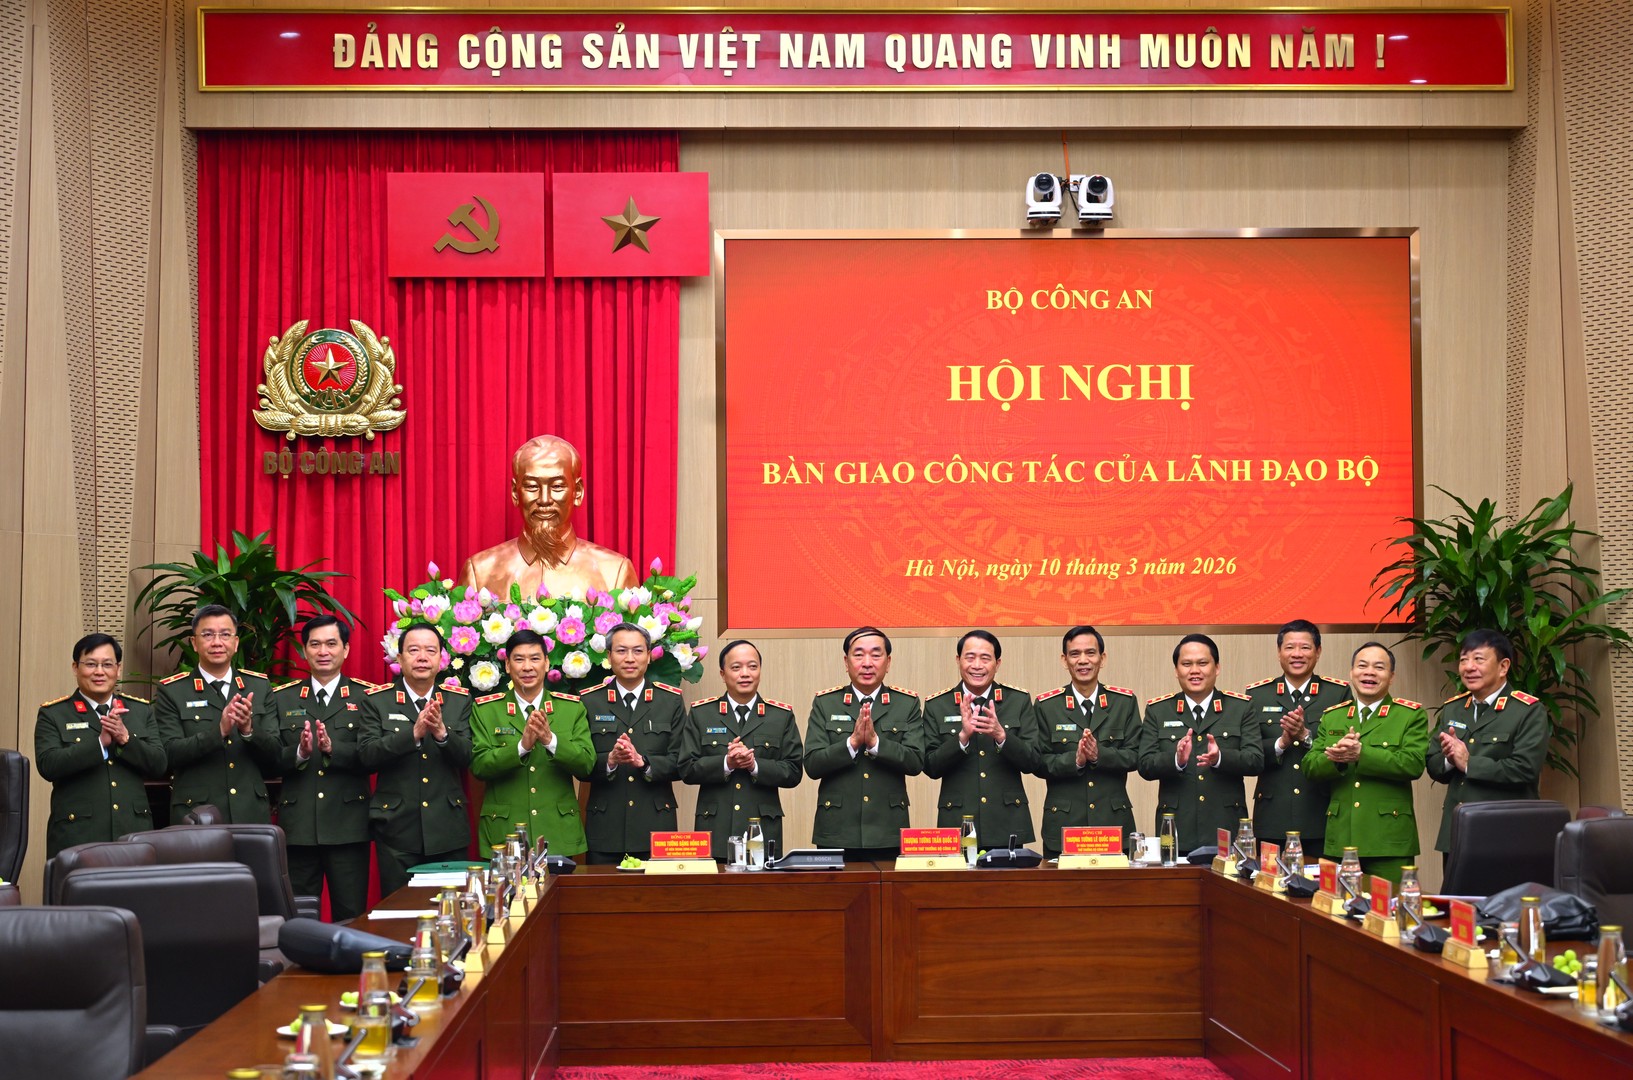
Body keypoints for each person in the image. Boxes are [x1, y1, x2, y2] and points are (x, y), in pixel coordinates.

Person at [269, 615, 374, 922]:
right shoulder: (282, 698)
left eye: (331, 643)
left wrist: (333, 749)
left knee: (351, 916)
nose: (323, 651)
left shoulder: (367, 697)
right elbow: (267, 758)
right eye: (315, 644)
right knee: (299, 917)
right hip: (299, 826)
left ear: (346, 649)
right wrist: (298, 753)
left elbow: (375, 756)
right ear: (304, 651)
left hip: (348, 825)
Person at [360, 624, 474, 897]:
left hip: (447, 827)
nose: (422, 657)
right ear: (399, 659)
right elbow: (367, 756)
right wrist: (412, 735)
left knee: (450, 909)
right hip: (396, 829)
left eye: (430, 651)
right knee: (400, 910)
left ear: (441, 660)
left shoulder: (459, 701)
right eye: (413, 650)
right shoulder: (377, 701)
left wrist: (442, 734)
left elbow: (468, 757)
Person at [1301, 642, 1427, 887]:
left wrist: (1363, 754)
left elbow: (1413, 764)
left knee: (1390, 906)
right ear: (1351, 673)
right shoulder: (1333, 716)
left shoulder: (1409, 715)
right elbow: (1310, 766)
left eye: (1379, 667)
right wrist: (1335, 759)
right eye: (1362, 666)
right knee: (1338, 905)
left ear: (1391, 676)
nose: (1369, 672)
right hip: (1342, 836)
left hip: (1388, 839)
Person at [457, 435, 638, 603]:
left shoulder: (615, 572)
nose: (544, 499)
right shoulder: (479, 572)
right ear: (515, 492)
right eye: (532, 486)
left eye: (557, 486)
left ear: (578, 492)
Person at [34, 633, 168, 857]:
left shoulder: (140, 711)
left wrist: (125, 739)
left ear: (118, 669)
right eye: (90, 664)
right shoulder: (54, 713)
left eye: (107, 664)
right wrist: (99, 744)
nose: (99, 672)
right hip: (78, 834)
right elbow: (48, 765)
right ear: (75, 667)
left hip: (132, 831)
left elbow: (159, 764)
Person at [805, 627, 925, 861]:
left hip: (888, 829)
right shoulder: (825, 703)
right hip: (837, 829)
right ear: (846, 662)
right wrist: (851, 743)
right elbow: (812, 764)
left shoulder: (906, 703)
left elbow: (915, 761)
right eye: (859, 655)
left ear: (888, 662)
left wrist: (875, 743)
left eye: (876, 655)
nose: (867, 663)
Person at [1426, 628, 1549, 857]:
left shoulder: (1527, 711)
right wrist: (1450, 759)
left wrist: (1469, 763)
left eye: (1478, 659)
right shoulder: (1453, 708)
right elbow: (1433, 763)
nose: (1469, 667)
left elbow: (1525, 769)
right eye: (1463, 660)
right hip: (1457, 834)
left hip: (1506, 834)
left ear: (1503, 667)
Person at [470, 628, 594, 855]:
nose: (527, 667)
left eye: (535, 659)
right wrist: (521, 747)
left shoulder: (571, 708)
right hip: (505, 833)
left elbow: (586, 765)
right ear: (508, 666)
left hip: (557, 831)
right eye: (519, 659)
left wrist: (550, 741)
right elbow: (479, 765)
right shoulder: (486, 710)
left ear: (546, 664)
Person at [153, 604, 281, 824]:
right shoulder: (173, 690)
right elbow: (168, 754)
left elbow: (276, 755)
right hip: (196, 814)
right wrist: (218, 732)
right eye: (208, 635)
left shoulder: (259, 687)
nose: (217, 642)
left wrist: (249, 730)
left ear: (236, 642)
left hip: (249, 812)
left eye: (225, 634)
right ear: (194, 643)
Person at [678, 639, 804, 858]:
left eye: (752, 666)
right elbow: (686, 769)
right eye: (736, 667)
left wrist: (754, 766)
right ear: (723, 674)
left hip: (762, 830)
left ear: (760, 670)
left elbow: (793, 771)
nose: (745, 673)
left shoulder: (780, 716)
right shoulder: (702, 713)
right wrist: (726, 763)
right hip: (715, 828)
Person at [1137, 633, 1263, 852]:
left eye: (1202, 663)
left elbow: (1256, 760)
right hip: (1176, 827)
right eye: (1186, 664)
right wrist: (1176, 760)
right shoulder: (1159, 710)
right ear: (1176, 670)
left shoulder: (1240, 707)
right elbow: (1145, 764)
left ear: (1217, 667)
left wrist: (1220, 758)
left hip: (1225, 826)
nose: (1194, 670)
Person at [1028, 625, 1141, 858]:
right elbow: (1037, 761)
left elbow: (1137, 755)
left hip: (1112, 822)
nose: (1083, 660)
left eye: (1090, 653)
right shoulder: (1047, 705)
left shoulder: (1124, 702)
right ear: (1064, 660)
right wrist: (1076, 760)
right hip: (1063, 824)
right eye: (1074, 654)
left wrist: (1100, 755)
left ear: (1102, 658)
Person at [922, 630, 1038, 850]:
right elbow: (930, 766)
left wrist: (1002, 736)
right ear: (958, 660)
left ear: (997, 663)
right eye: (970, 657)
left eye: (985, 658)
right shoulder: (937, 704)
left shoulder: (1018, 700)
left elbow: (1033, 761)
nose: (977, 665)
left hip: (1007, 823)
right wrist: (962, 738)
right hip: (957, 821)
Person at [581, 623, 684, 864]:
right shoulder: (589, 701)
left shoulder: (670, 701)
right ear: (609, 656)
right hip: (605, 828)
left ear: (649, 656)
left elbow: (682, 762)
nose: (630, 658)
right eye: (621, 651)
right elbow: (579, 763)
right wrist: (609, 761)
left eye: (638, 651)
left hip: (656, 826)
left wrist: (644, 763)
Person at [1247, 619, 1347, 852]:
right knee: (1267, 876)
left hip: (1319, 813)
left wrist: (1305, 736)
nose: (1297, 654)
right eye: (1290, 647)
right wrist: (1281, 743)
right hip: (1272, 816)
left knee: (1320, 876)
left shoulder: (1337, 694)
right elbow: (1250, 753)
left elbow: (1342, 754)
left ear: (1318, 652)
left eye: (1305, 647)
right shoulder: (1258, 695)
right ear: (1279, 652)